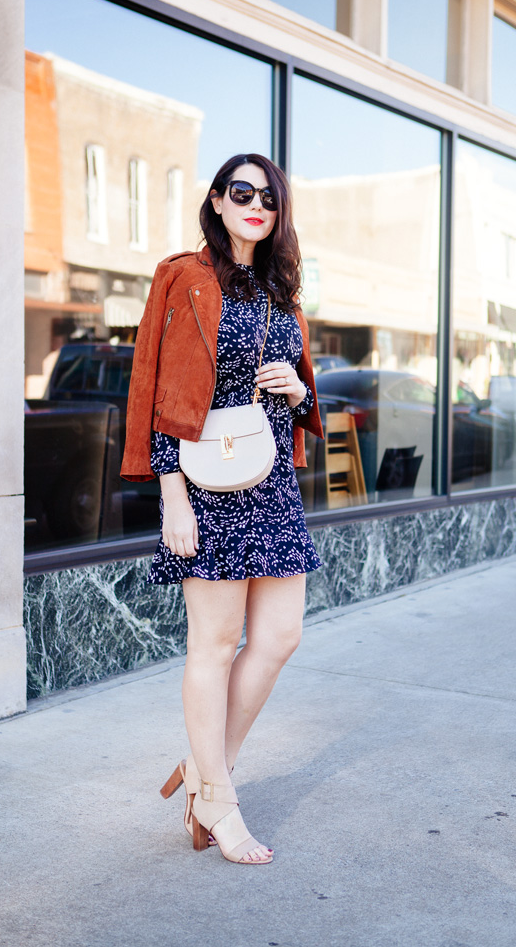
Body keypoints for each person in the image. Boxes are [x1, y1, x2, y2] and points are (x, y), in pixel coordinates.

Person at [121, 153, 323, 864]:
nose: (256, 203)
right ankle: (218, 797)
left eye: (269, 195)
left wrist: (297, 391)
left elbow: (297, 385)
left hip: (269, 480)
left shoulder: (281, 287)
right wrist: (170, 495)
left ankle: (208, 772)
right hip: (204, 483)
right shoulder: (184, 276)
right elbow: (152, 385)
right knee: (212, 643)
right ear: (216, 199)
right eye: (243, 191)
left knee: (279, 636)